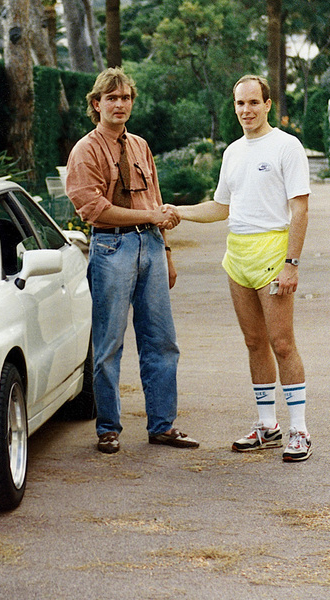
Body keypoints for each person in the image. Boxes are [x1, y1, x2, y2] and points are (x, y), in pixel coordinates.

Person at [173, 74, 312, 461]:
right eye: (240, 103)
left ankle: (300, 431)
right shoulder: (233, 152)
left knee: (282, 343)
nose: (246, 110)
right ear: (233, 106)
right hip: (238, 256)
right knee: (254, 342)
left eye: (253, 102)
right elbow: (222, 207)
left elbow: (300, 209)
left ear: (268, 105)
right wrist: (177, 211)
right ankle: (268, 426)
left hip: (273, 254)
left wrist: (291, 264)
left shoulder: (286, 146)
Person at [65, 67, 199, 454]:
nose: (120, 104)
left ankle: (162, 425)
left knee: (162, 341)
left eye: (125, 98)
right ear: (97, 104)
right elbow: (93, 209)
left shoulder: (140, 145)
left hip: (151, 247)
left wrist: (166, 252)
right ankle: (108, 428)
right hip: (111, 249)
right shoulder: (85, 150)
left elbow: (154, 201)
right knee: (108, 345)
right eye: (112, 98)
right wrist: (150, 216)